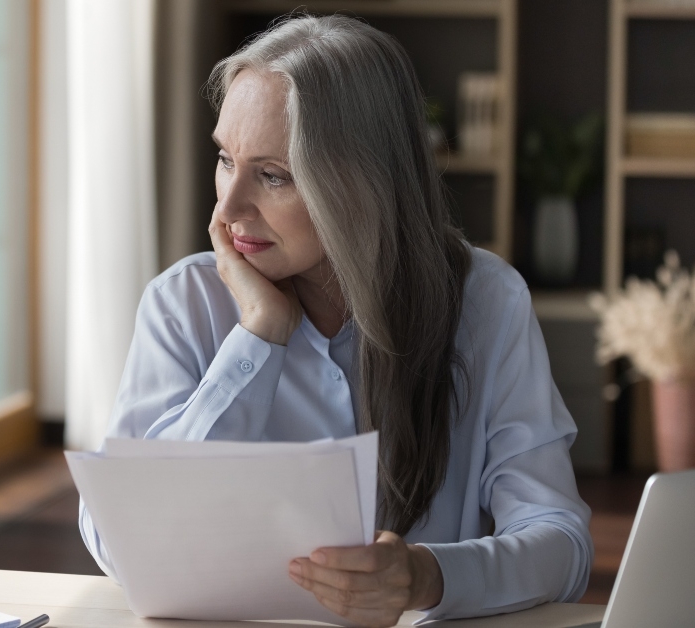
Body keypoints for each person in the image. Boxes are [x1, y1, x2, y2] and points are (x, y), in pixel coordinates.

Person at [77, 14, 592, 628]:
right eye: (224, 159)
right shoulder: (184, 303)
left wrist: (427, 576)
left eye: (272, 175)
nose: (228, 205)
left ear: (366, 182)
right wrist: (257, 336)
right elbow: (121, 541)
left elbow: (561, 544)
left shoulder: (486, 301)